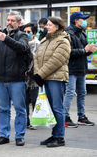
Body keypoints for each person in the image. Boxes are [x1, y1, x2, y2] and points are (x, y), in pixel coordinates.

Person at [0, 11, 29, 146]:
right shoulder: (0, 35)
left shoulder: (22, 35)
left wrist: (6, 39)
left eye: (12, 20)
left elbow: (22, 48)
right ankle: (4, 135)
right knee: (3, 109)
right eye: (8, 20)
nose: (9, 22)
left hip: (16, 79)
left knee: (20, 109)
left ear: (19, 23)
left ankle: (20, 135)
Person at [33, 17, 71, 147]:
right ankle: (54, 135)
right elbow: (37, 57)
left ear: (57, 26)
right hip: (45, 77)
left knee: (57, 108)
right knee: (51, 108)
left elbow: (56, 60)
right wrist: (38, 74)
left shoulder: (63, 41)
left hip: (56, 78)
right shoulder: (45, 39)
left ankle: (60, 137)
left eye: (49, 25)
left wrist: (40, 74)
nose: (46, 27)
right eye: (47, 25)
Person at [63, 12, 97, 127]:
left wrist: (90, 50)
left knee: (82, 93)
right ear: (76, 21)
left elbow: (85, 49)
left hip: (82, 68)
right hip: (71, 68)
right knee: (70, 92)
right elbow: (68, 52)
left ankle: (81, 116)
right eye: (82, 19)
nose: (85, 21)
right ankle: (65, 117)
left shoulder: (82, 32)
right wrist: (84, 50)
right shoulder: (68, 33)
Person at [23, 23, 40, 130]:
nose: (26, 34)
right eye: (24, 32)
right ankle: (26, 121)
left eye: (28, 32)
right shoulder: (22, 43)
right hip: (23, 77)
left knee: (34, 100)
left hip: (34, 77)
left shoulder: (38, 44)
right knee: (24, 101)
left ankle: (35, 121)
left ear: (34, 33)